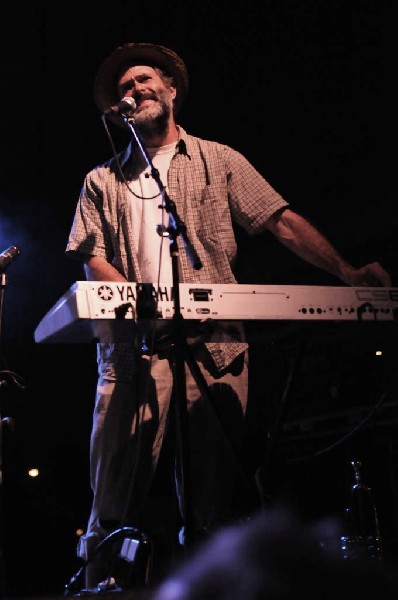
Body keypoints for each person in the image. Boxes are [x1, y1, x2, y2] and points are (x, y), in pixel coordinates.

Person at [65, 41, 392, 592]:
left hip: (213, 345)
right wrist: (136, 303)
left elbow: (279, 221)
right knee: (114, 493)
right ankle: (101, 583)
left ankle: (210, 586)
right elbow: (91, 253)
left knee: (212, 497)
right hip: (132, 352)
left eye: (144, 79)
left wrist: (347, 272)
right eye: (124, 87)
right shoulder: (102, 180)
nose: (135, 90)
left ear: (170, 89)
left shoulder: (221, 160)